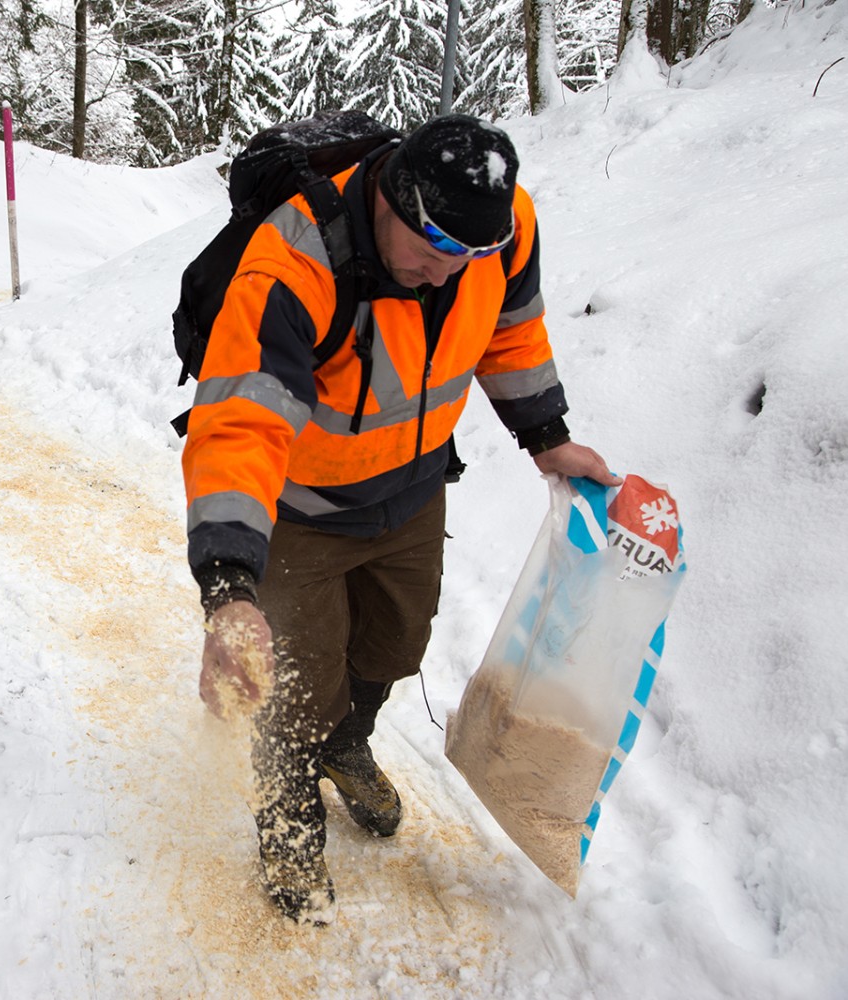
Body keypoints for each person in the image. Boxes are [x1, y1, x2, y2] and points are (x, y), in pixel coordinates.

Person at [180, 114, 622, 924]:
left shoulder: (501, 230)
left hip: (412, 491)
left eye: (464, 260)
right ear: (394, 198)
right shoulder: (297, 260)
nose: (441, 275)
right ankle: (289, 822)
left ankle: (348, 746)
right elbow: (239, 421)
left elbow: (512, 332)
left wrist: (547, 437)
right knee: (294, 690)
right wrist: (229, 586)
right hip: (302, 512)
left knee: (394, 644)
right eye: (428, 253)